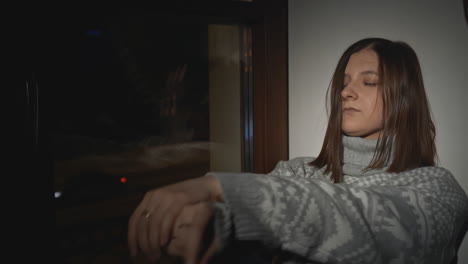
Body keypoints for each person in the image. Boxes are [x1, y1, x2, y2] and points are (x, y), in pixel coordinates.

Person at [127, 37, 468, 264]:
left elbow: (379, 227)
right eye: (344, 82)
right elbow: (257, 232)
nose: (346, 93)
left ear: (404, 98)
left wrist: (224, 189)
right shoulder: (296, 172)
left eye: (368, 81)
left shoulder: (437, 190)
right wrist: (216, 224)